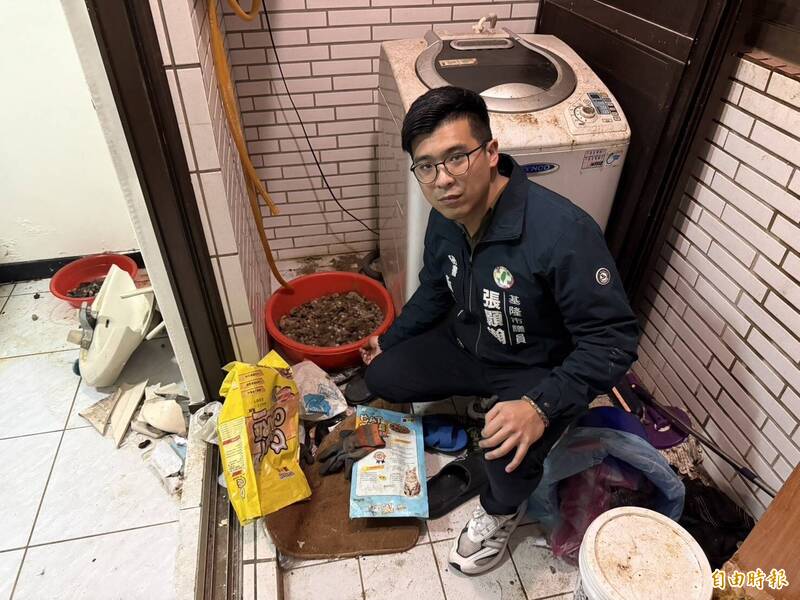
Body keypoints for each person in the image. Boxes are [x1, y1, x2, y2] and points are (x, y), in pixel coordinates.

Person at [361, 86, 639, 575]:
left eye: (457, 157)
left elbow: (613, 340)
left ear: (490, 152)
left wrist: (540, 406)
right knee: (383, 377)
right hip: (469, 343)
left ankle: (502, 510)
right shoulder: (444, 219)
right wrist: (390, 339)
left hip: (533, 369)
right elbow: (435, 290)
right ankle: (488, 405)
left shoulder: (563, 233)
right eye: (426, 166)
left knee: (506, 460)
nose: (443, 179)